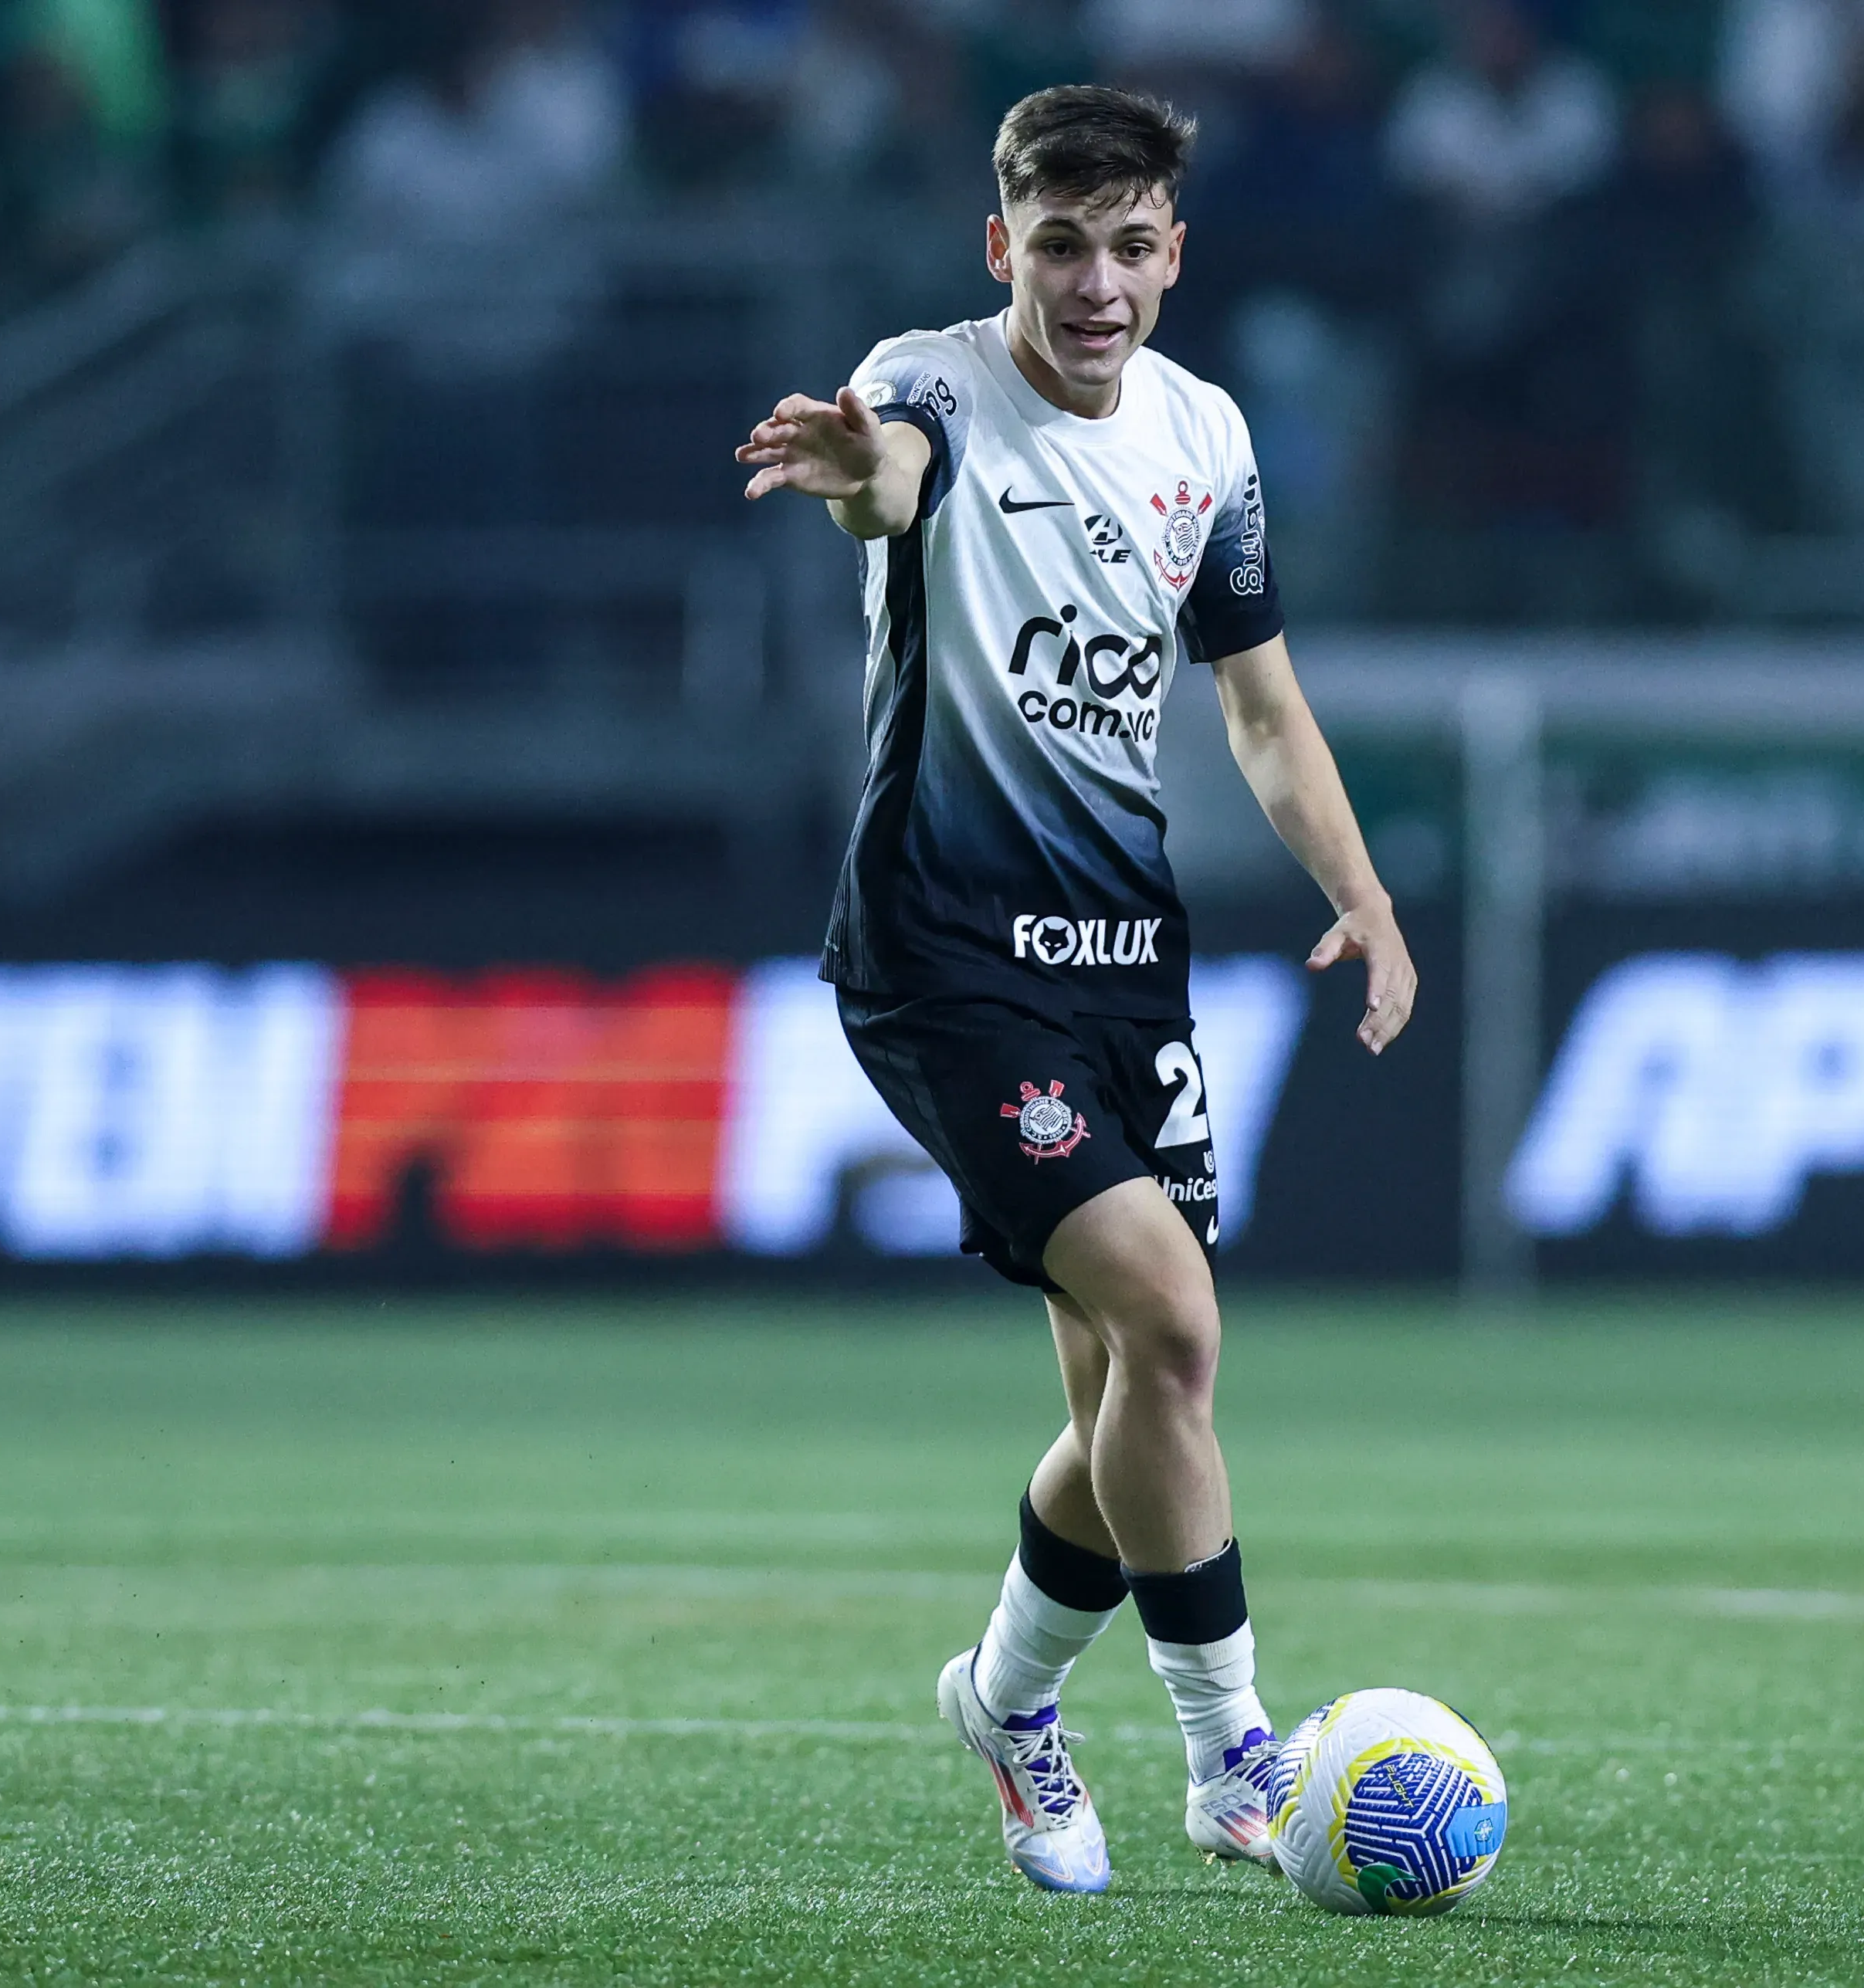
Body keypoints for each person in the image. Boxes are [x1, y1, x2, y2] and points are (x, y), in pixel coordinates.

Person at [733, 84, 1414, 1893]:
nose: (1094, 282)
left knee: (1132, 1390)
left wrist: (1360, 895)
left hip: (1125, 961)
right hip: (946, 958)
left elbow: (1260, 706)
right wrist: (853, 471)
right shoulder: (931, 384)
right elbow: (888, 477)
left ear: (1174, 255)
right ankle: (1231, 1754)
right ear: (1000, 248)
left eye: (1127, 246)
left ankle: (1007, 1702)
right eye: (1058, 246)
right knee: (1175, 1327)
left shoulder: (1207, 434)